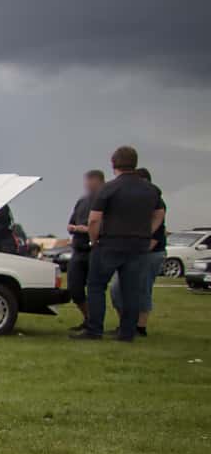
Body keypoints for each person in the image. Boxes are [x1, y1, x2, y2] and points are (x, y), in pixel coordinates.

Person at [73, 145, 162, 342]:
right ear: (135, 164)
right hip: (138, 245)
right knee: (131, 289)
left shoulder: (109, 189)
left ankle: (94, 330)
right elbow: (159, 213)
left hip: (110, 243)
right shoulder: (150, 190)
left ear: (114, 164)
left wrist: (94, 239)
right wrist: (148, 231)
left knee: (96, 286)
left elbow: (94, 219)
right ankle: (127, 332)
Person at [109, 168, 165, 337]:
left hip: (150, 253)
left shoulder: (156, 203)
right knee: (117, 289)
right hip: (133, 252)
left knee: (142, 289)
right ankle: (125, 324)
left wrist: (139, 250)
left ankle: (140, 327)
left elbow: (157, 233)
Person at [65, 169, 104, 329]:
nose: (87, 184)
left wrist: (87, 230)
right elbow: (70, 224)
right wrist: (74, 228)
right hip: (78, 250)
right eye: (87, 181)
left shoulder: (105, 201)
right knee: (74, 288)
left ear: (100, 182)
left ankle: (95, 324)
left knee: (95, 289)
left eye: (91, 181)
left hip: (95, 250)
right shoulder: (82, 201)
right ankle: (88, 318)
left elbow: (105, 226)